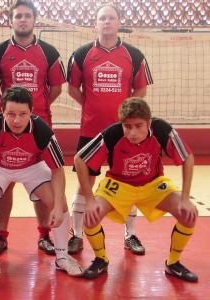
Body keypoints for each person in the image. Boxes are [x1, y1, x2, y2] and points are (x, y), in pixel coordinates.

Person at [0, 87, 83, 279]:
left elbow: (57, 169)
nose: (17, 120)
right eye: (11, 114)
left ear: (31, 112)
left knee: (59, 203)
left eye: (23, 114)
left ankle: (62, 257)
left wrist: (55, 206)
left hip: (33, 167)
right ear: (2, 111)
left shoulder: (43, 132)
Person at [74, 97, 198, 282]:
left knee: (190, 213)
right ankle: (101, 259)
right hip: (119, 185)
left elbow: (187, 158)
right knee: (90, 217)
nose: (132, 132)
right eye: (127, 126)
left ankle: (173, 263)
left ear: (149, 123)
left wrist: (185, 198)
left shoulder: (162, 129)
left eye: (138, 126)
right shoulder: (112, 133)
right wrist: (90, 200)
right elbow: (79, 159)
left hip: (153, 184)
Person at [67, 3, 153, 255]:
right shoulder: (81, 54)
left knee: (130, 181)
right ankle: (77, 234)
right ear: (96, 23)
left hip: (124, 133)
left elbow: (141, 91)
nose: (107, 22)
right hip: (91, 131)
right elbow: (73, 88)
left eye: (111, 18)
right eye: (102, 18)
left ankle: (131, 234)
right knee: (85, 182)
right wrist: (91, 105)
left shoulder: (134, 55)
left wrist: (127, 116)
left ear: (118, 22)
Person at [0, 0, 66, 256]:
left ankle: (44, 234)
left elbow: (56, 88)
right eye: (18, 16)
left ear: (34, 20)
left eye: (27, 16)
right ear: (11, 20)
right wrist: (9, 112)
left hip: (40, 129)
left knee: (43, 181)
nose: (22, 20)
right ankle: (0, 234)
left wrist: (33, 113)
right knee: (4, 182)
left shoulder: (49, 53)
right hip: (7, 130)